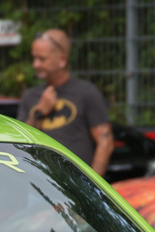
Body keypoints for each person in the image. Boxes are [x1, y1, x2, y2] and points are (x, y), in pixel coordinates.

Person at [16, 28, 112, 176]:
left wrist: (92, 187)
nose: (35, 65)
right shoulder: (30, 97)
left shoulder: (86, 93)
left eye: (42, 59)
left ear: (62, 60)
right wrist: (39, 112)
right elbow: (19, 144)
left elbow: (105, 142)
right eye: (34, 58)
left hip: (76, 187)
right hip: (38, 187)